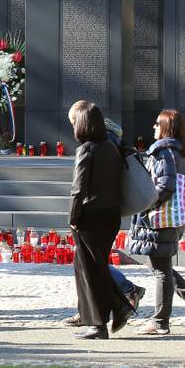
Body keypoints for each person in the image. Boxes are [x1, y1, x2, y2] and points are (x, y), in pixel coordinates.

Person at [62, 108, 146, 327]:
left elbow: (78, 189)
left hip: (90, 216)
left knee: (90, 270)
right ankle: (113, 309)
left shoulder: (86, 149)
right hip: (111, 214)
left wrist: (73, 217)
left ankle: (101, 320)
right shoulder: (111, 147)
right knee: (94, 267)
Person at [128, 109, 185, 336]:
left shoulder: (164, 151)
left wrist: (146, 204)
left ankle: (160, 322)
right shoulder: (176, 151)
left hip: (160, 217)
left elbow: (166, 185)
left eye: (156, 123)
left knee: (161, 270)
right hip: (170, 218)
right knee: (162, 266)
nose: (153, 127)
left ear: (166, 126)